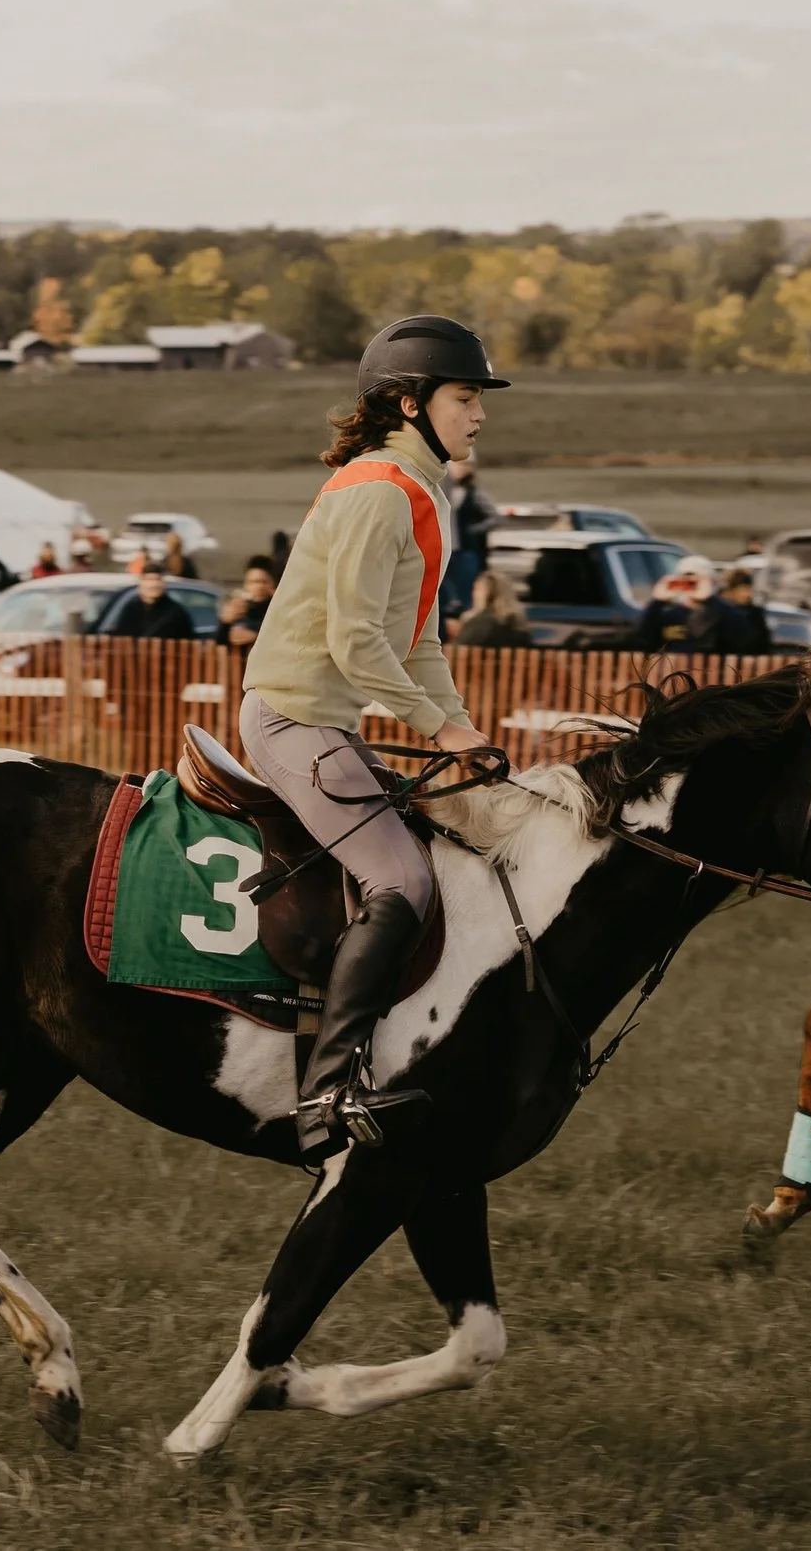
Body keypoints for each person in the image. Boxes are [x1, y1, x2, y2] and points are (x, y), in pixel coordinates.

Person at [239, 314, 506, 1161]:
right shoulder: (380, 489)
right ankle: (325, 1089)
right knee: (402, 878)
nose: (479, 414)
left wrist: (462, 729)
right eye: (466, 397)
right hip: (290, 718)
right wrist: (441, 726)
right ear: (408, 401)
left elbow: (418, 642)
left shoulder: (421, 491)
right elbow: (357, 641)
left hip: (330, 721)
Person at [437, 456, 498, 624]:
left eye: (468, 465)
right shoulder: (441, 488)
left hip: (464, 550)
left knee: (467, 594)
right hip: (444, 548)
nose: (464, 469)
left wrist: (472, 531)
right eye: (461, 464)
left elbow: (494, 517)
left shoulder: (472, 492)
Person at [631, 555, 716, 652]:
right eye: (685, 581)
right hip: (671, 665)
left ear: (711, 582)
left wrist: (709, 600)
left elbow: (732, 637)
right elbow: (641, 640)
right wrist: (657, 602)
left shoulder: (722, 612)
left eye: (696, 582)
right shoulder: (670, 614)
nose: (691, 584)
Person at [99, 569, 200, 639]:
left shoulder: (176, 613)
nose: (153, 585)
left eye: (157, 580)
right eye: (149, 579)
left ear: (164, 583)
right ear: (140, 583)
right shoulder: (131, 609)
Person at [699, 568, 774, 655]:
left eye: (749, 589)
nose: (748, 594)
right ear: (731, 590)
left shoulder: (755, 613)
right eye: (743, 589)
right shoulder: (717, 610)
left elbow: (763, 643)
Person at [452, 568, 535, 647]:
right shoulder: (518, 624)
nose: (473, 594)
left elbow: (457, 652)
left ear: (487, 595)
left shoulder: (478, 624)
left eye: (477, 589)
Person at [217, 555, 277, 647]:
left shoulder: (277, 610)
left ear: (273, 584)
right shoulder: (239, 609)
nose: (258, 587)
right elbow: (219, 643)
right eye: (252, 582)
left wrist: (255, 637)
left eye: (263, 582)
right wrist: (225, 623)